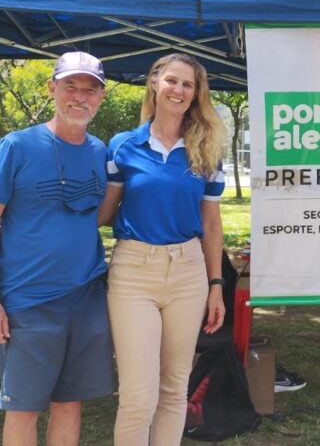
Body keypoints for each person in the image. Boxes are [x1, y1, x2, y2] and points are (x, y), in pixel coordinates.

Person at [0, 51, 114, 446]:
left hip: (85, 298)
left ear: (101, 97)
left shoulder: (101, 152)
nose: (80, 97)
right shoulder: (16, 147)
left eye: (90, 90)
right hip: (27, 302)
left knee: (70, 404)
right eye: (71, 86)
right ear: (52, 88)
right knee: (23, 408)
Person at [98, 52, 227, 445]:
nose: (179, 90)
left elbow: (210, 222)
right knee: (139, 395)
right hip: (134, 269)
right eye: (172, 80)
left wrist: (216, 284)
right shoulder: (122, 146)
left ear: (196, 94)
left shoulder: (207, 148)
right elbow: (103, 213)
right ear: (154, 83)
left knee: (174, 389)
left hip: (188, 270)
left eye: (188, 85)